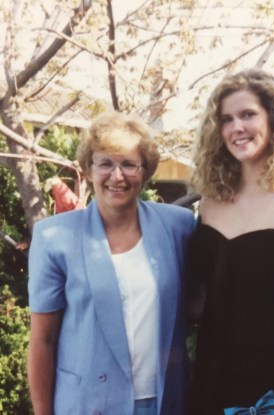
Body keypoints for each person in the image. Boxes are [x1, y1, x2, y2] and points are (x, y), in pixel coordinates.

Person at [27, 112, 194, 415]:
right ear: (88, 169)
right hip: (88, 404)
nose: (117, 176)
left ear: (145, 171)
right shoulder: (55, 237)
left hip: (164, 402)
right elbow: (43, 339)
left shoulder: (178, 226)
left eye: (129, 164)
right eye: (105, 163)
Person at [187, 68, 274, 415]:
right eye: (226, 119)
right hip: (209, 378)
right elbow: (199, 301)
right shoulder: (211, 201)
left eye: (248, 114)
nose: (237, 127)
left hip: (272, 388)